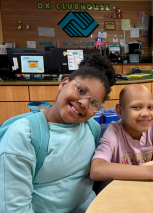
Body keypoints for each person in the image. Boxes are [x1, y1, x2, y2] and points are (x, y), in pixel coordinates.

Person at [0, 54, 116, 212]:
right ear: (64, 83)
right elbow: (14, 208)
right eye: (81, 90)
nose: (83, 102)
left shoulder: (91, 128)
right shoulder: (23, 135)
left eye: (94, 103)